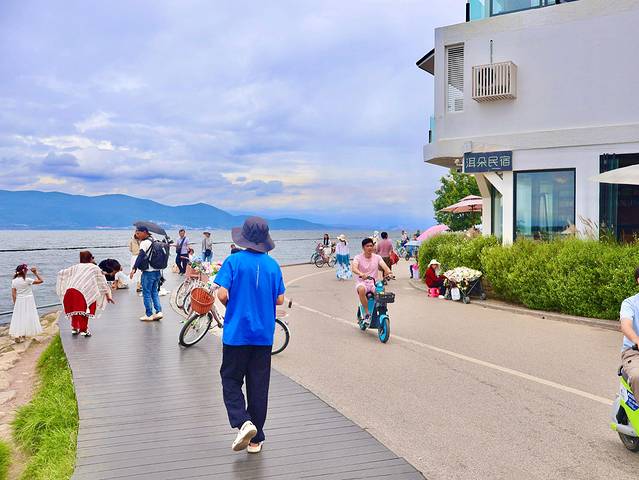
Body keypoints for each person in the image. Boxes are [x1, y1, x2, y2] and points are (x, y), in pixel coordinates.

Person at [215, 216, 285, 454]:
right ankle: (256, 439)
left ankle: (243, 422)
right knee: (258, 385)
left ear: (243, 238)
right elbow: (280, 299)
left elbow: (221, 294)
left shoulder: (233, 261)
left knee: (231, 379)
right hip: (263, 335)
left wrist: (233, 304)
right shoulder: (273, 265)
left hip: (237, 334)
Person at [57, 251, 114, 337]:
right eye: (92, 257)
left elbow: (62, 273)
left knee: (75, 311)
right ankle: (84, 330)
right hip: (82, 292)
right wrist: (108, 295)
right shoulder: (94, 268)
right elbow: (102, 283)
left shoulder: (75, 267)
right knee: (85, 311)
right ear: (90, 258)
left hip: (70, 291)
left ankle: (74, 328)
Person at [351, 237, 391, 324]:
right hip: (362, 282)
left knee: (381, 291)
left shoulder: (377, 257)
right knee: (361, 289)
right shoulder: (358, 257)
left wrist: (389, 272)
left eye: (371, 246)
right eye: (367, 246)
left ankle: (381, 311)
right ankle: (367, 313)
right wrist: (361, 274)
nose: (370, 247)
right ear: (363, 247)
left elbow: (384, 266)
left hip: (373, 283)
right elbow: (354, 268)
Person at [130, 226, 163, 321]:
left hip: (148, 272)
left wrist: (134, 268)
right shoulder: (154, 239)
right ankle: (159, 312)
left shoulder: (144, 243)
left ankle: (149, 314)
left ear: (144, 232)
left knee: (146, 293)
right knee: (154, 292)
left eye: (138, 233)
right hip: (157, 271)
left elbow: (140, 256)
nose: (137, 235)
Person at [9, 264, 43, 343]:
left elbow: (13, 294)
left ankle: (18, 335)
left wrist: (15, 304)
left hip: (19, 301)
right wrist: (35, 273)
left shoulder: (14, 281)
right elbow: (41, 281)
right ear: (24, 271)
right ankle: (23, 335)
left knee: (19, 317)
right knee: (27, 317)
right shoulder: (27, 280)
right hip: (29, 300)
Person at [620, 267, 639, 397]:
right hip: (634, 352)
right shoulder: (630, 303)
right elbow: (625, 325)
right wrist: (637, 340)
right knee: (638, 376)